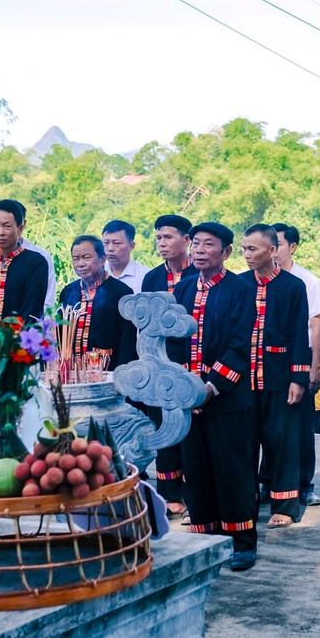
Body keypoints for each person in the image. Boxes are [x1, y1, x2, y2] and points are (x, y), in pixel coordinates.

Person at [168, 222, 257, 571]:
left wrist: (210, 386)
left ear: (227, 252)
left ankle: (242, 543)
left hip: (227, 400)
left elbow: (239, 346)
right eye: (197, 244)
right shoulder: (184, 287)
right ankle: (205, 542)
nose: (200, 251)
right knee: (197, 471)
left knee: (232, 472)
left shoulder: (240, 289)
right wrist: (180, 382)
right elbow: (173, 339)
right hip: (188, 401)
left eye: (209, 245)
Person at [239, 225, 311, 528]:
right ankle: (244, 505)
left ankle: (285, 505)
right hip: (242, 379)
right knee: (243, 444)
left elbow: (299, 335)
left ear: (272, 251)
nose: (246, 255)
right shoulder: (239, 285)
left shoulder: (293, 286)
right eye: (243, 249)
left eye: (253, 249)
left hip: (279, 377)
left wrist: (298, 378)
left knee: (281, 442)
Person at [142, 214, 196, 517]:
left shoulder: (197, 275)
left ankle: (194, 495)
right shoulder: (152, 278)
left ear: (186, 241)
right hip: (159, 364)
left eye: (169, 237)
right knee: (164, 428)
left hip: (190, 363)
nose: (162, 243)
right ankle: (169, 496)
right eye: (159, 238)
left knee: (190, 430)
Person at [273, 222, 320, 507]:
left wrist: (314, 367)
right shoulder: (254, 279)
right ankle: (270, 482)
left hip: (300, 356)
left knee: (302, 426)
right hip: (269, 361)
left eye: (278, 244)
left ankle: (305, 484)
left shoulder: (307, 280)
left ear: (292, 247)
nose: (274, 249)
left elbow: (315, 325)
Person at [56, 235, 138, 371]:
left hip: (107, 371)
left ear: (102, 259)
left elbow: (128, 340)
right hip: (72, 372)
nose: (80, 263)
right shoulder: (68, 291)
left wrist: (123, 374)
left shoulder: (121, 292)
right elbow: (60, 333)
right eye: (76, 259)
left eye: (86, 257)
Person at [0, 199, 50, 323]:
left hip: (21, 338)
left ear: (20, 228)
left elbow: (32, 308)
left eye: (7, 226)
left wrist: (12, 335)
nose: (0, 232)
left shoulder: (36, 263)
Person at [102, 219, 148, 290]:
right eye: (106, 243)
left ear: (131, 246)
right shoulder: (96, 274)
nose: (110, 248)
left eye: (116, 243)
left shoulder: (145, 276)